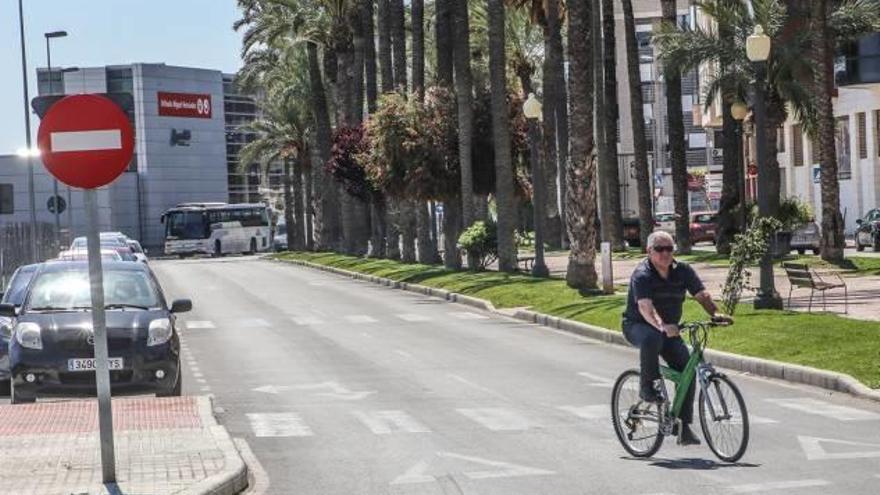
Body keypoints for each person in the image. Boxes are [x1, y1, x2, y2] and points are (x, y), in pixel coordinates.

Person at [621, 231, 730, 446]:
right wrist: (662, 326)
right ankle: (646, 387)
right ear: (649, 251)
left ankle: (683, 426)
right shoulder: (642, 274)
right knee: (652, 337)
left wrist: (715, 314)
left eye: (669, 249)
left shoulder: (683, 271)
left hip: (671, 329)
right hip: (637, 325)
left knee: (688, 369)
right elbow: (645, 308)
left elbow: (701, 294)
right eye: (660, 249)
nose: (665, 254)